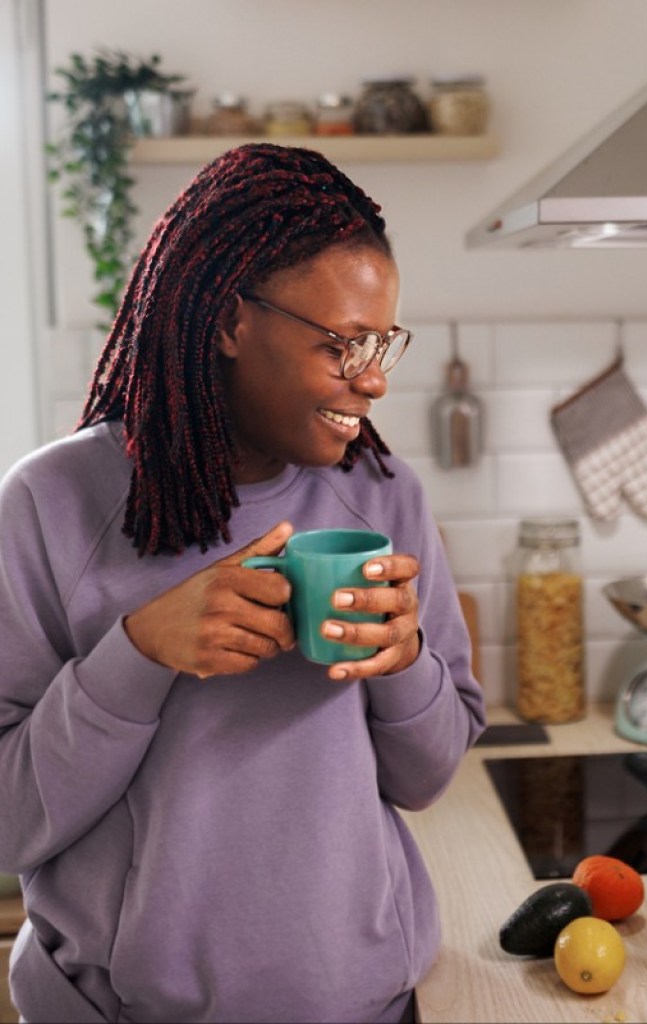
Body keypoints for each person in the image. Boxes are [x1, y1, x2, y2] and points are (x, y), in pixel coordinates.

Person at [0, 143, 486, 1024]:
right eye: (343, 345)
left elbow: (430, 775)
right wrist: (140, 654)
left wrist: (403, 658)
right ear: (230, 322)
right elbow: (6, 821)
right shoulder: (51, 504)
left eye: (383, 344)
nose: (372, 381)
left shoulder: (385, 495)